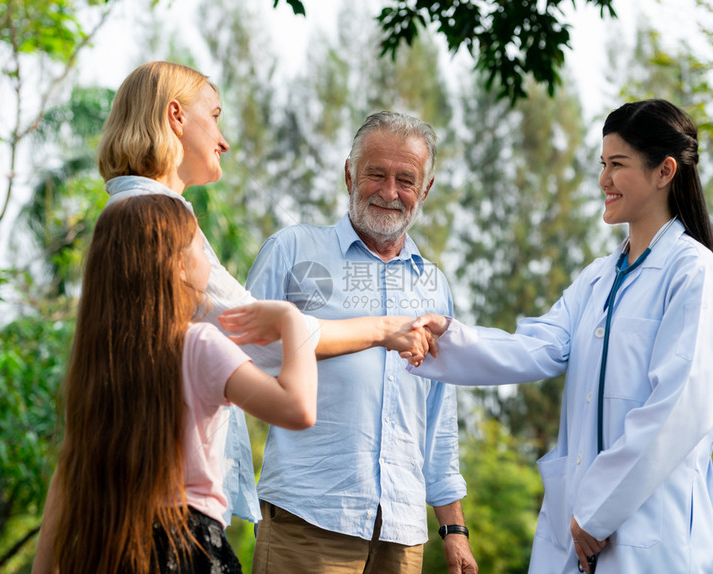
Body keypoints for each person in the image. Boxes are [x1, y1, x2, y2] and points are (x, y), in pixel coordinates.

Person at [67, 61, 433, 530]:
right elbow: (257, 330)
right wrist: (383, 328)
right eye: (214, 115)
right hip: (174, 503)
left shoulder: (124, 214)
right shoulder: (162, 223)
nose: (223, 139)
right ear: (176, 117)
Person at [409, 99, 713, 573]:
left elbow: (677, 410)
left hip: (646, 535)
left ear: (664, 171)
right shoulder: (599, 278)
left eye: (617, 165)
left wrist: (598, 513)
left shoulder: (693, 272)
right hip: (578, 532)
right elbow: (539, 346)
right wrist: (449, 337)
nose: (603, 179)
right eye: (603, 164)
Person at [232, 111, 477, 574]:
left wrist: (455, 530)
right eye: (376, 174)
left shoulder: (434, 285)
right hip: (307, 520)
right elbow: (240, 362)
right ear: (349, 173)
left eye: (406, 180)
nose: (389, 192)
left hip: (402, 535)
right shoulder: (292, 250)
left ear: (425, 190)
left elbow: (439, 418)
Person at [31, 194, 318, 573]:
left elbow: (68, 474)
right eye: (201, 245)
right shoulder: (198, 345)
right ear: (180, 265)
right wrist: (292, 320)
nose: (207, 256)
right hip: (186, 549)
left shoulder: (99, 362)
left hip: (109, 549)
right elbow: (297, 409)